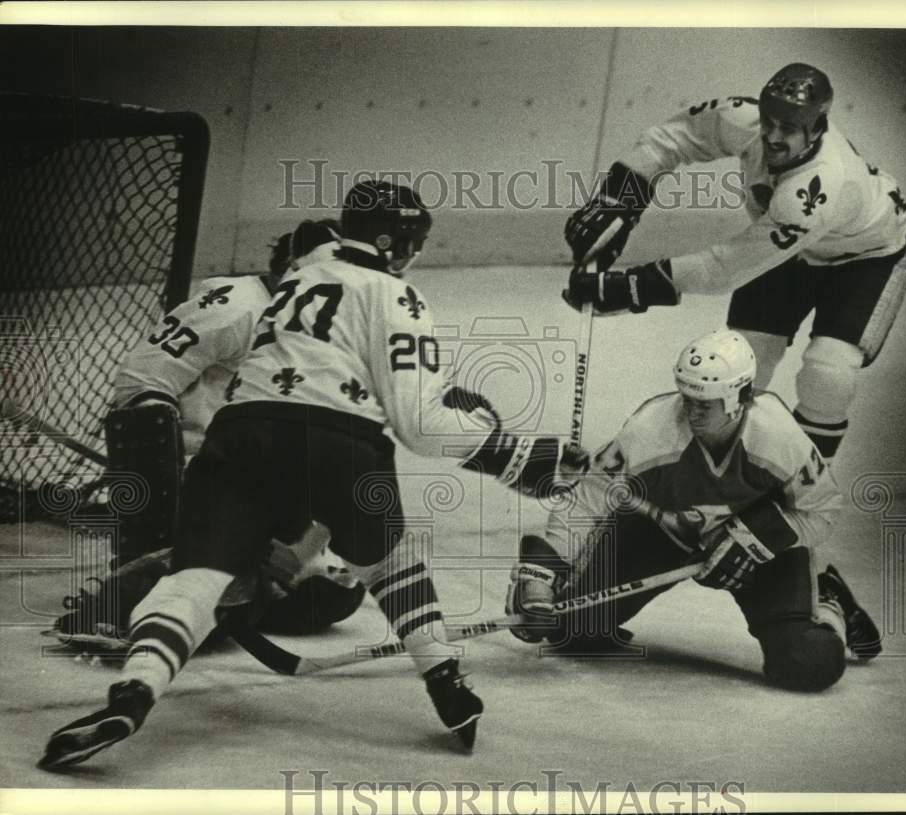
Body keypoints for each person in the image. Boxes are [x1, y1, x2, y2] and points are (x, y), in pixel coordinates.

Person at [40, 180, 578, 769]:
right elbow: (421, 424)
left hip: (236, 443)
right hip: (336, 444)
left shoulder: (289, 283)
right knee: (387, 557)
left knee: (202, 581)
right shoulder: (397, 295)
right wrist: (522, 458)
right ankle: (445, 679)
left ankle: (134, 690)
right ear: (395, 242)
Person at [563, 62, 906, 464]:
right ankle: (716, 469)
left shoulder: (818, 188)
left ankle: (802, 479)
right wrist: (618, 199)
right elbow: (669, 140)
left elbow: (722, 269)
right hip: (792, 250)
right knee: (741, 364)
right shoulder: (742, 119)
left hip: (868, 260)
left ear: (816, 128)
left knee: (828, 372)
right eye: (770, 121)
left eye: (789, 128)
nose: (773, 136)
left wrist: (633, 287)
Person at [506, 329, 880, 692]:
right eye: (687, 398)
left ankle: (828, 600)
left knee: (808, 661)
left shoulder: (780, 439)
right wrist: (540, 579)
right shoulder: (650, 428)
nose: (692, 413)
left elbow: (824, 510)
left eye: (705, 403)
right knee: (569, 630)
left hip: (761, 550)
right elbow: (587, 498)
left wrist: (755, 540)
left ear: (742, 396)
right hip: (663, 534)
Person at [53, 218, 365, 645]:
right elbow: (142, 380)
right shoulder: (235, 306)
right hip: (199, 482)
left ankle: (216, 593)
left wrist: (300, 549)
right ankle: (151, 578)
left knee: (331, 598)